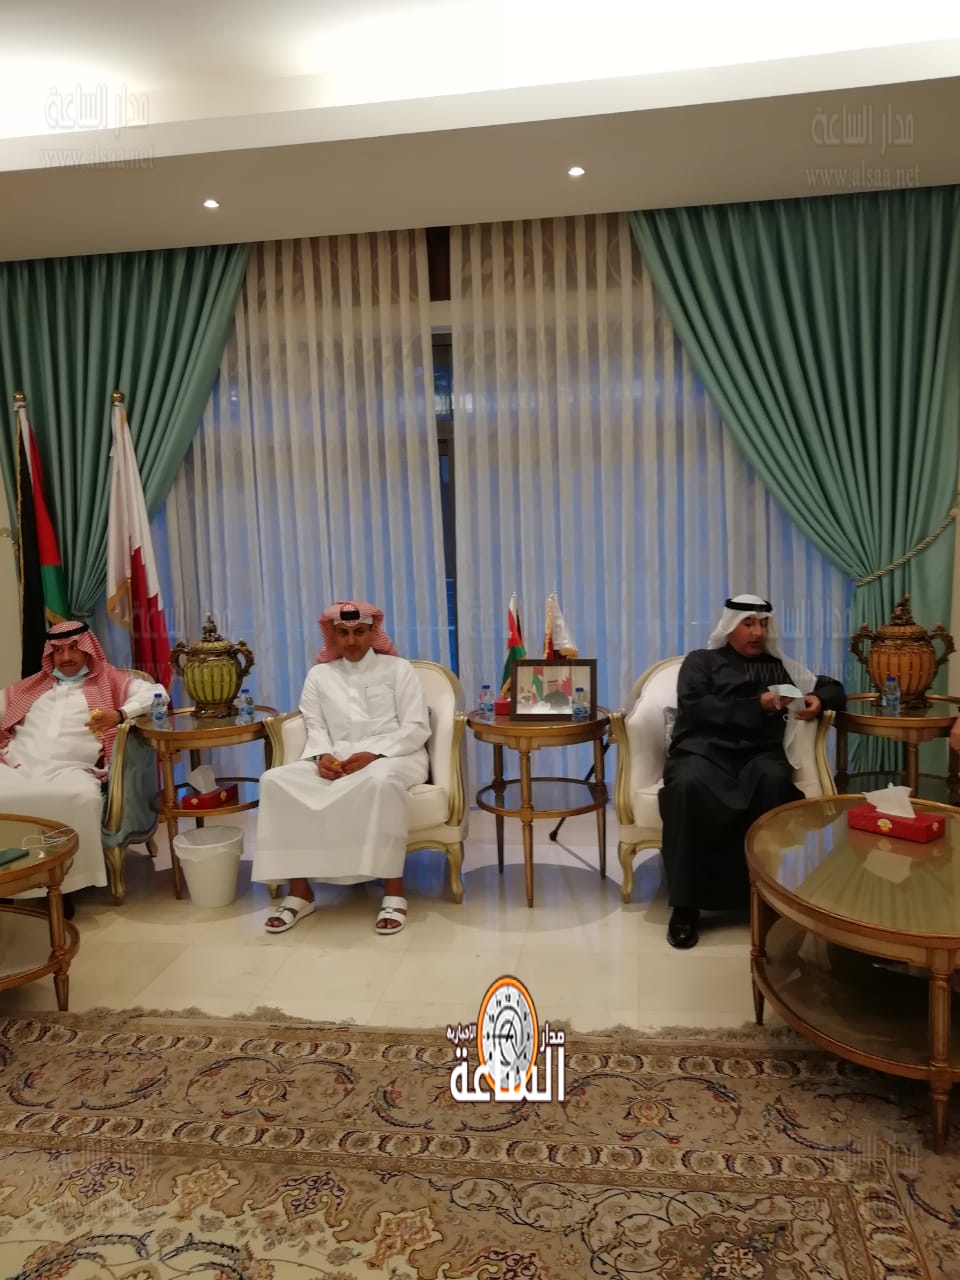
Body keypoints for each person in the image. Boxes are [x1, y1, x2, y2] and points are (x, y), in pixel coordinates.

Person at [658, 593, 846, 949]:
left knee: (774, 781)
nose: (757, 632)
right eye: (748, 623)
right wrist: (757, 704)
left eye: (763, 624)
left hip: (758, 755)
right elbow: (699, 708)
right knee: (687, 785)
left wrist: (819, 700)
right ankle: (684, 907)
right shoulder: (701, 662)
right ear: (730, 626)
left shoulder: (778, 668)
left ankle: (766, 895)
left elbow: (832, 686)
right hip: (703, 751)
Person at [252, 600, 431, 936]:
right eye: (344, 634)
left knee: (380, 782)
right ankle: (300, 892)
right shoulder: (319, 675)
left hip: (396, 756)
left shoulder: (398, 669)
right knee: (274, 781)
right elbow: (315, 725)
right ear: (332, 635)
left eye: (359, 632)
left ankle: (394, 890)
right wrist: (321, 757)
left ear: (372, 633)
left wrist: (374, 753)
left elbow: (416, 726)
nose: (351, 641)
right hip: (337, 759)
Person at [0, 620, 168, 904]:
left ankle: (67, 883)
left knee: (81, 798)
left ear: (88, 649)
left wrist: (119, 714)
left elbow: (159, 694)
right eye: (58, 650)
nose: (66, 657)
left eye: (74, 648)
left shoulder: (108, 681)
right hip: (17, 766)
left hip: (70, 770)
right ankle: (8, 876)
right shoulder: (32, 687)